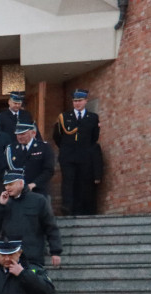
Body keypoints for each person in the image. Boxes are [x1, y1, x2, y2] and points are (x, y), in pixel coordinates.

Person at [0, 171, 63, 268]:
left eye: (11, 184)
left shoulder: (38, 200)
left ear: (21, 183)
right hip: (10, 257)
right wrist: (0, 206)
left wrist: (55, 251)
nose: (7, 188)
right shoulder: (5, 202)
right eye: (5, 185)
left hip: (33, 257)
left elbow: (51, 227)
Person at [52, 88, 101, 216]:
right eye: (75, 101)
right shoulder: (65, 117)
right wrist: (65, 148)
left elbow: (94, 137)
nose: (77, 103)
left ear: (86, 101)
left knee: (82, 182)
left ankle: (80, 209)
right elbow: (57, 136)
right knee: (68, 181)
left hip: (84, 156)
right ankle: (67, 207)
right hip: (68, 155)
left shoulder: (93, 117)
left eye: (80, 101)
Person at [6, 122, 55, 197]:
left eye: (23, 134)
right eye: (18, 134)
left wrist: (34, 184)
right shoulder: (11, 148)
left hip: (39, 191)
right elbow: (6, 169)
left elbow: (49, 170)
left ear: (33, 133)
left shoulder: (44, 147)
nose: (20, 137)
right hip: (18, 193)